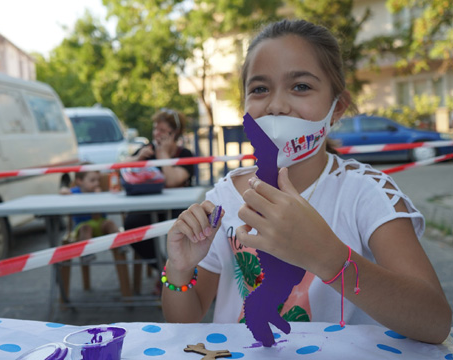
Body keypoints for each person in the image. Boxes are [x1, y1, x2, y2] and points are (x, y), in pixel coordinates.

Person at [162, 19, 451, 344]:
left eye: (300, 86)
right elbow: (184, 318)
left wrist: (329, 259)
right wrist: (179, 268)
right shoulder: (224, 198)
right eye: (259, 89)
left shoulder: (366, 194)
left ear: (337, 106)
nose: (277, 105)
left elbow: (435, 321)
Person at [124, 109, 195, 274]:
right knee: (131, 225)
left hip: (178, 208)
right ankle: (165, 270)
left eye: (162, 130)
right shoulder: (146, 151)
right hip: (148, 206)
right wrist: (137, 158)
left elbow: (171, 181)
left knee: (186, 228)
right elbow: (122, 169)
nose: (156, 134)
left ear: (174, 132)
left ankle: (182, 271)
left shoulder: (185, 154)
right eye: (155, 129)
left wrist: (163, 155)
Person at [59, 169, 122, 294]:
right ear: (79, 181)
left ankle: (121, 243)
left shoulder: (100, 192)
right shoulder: (76, 192)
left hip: (101, 223)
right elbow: (63, 192)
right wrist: (65, 191)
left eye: (98, 180)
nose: (96, 183)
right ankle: (86, 252)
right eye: (92, 180)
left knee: (110, 224)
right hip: (83, 225)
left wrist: (101, 196)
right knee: (85, 229)